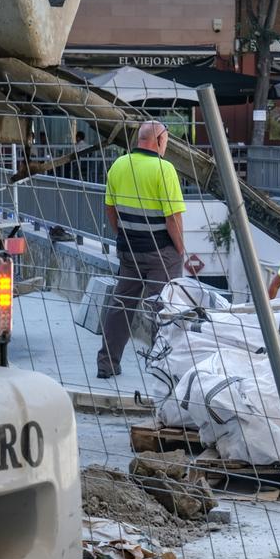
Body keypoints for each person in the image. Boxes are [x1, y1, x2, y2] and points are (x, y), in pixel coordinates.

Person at [96, 121, 186, 379]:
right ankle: (164, 369)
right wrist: (180, 249)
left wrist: (123, 235)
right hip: (161, 253)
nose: (167, 146)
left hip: (129, 250)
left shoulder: (118, 165)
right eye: (167, 141)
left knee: (121, 305)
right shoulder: (164, 169)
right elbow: (173, 219)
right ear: (158, 140)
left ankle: (107, 364)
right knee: (165, 308)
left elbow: (110, 210)